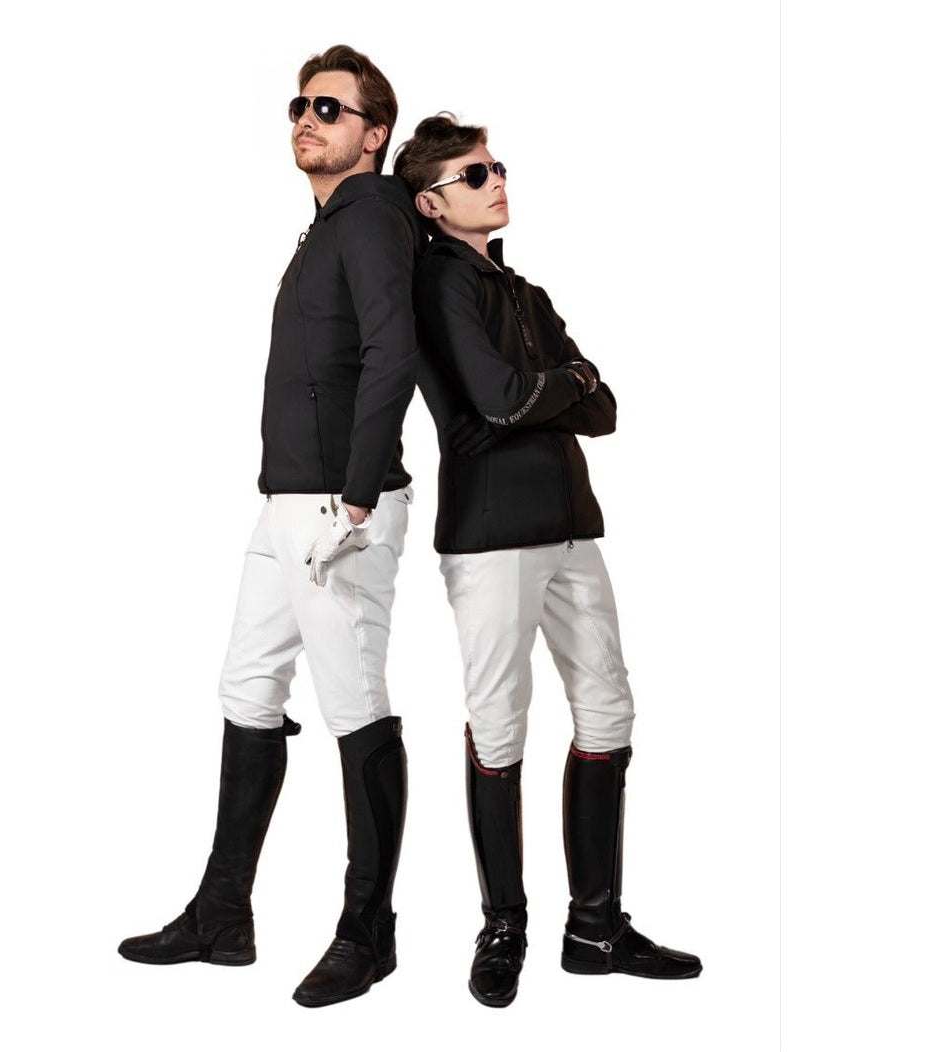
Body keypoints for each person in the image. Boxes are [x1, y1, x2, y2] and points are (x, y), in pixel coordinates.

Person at [118, 45, 422, 1010]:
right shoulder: (326, 226)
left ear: (374, 135)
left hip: (339, 505)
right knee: (248, 685)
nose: (306, 119)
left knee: (355, 703)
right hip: (286, 498)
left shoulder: (370, 218)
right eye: (299, 105)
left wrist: (360, 494)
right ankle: (222, 914)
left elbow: (395, 352)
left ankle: (369, 933)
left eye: (330, 109)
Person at [393, 115, 701, 1008]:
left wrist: (552, 393)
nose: (495, 180)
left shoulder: (526, 292)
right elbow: (498, 399)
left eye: (496, 166)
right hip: (492, 537)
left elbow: (605, 410)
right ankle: (504, 927)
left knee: (608, 707)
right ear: (431, 203)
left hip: (571, 525)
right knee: (499, 724)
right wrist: (564, 386)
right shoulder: (436, 284)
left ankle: (595, 927)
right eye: (473, 173)